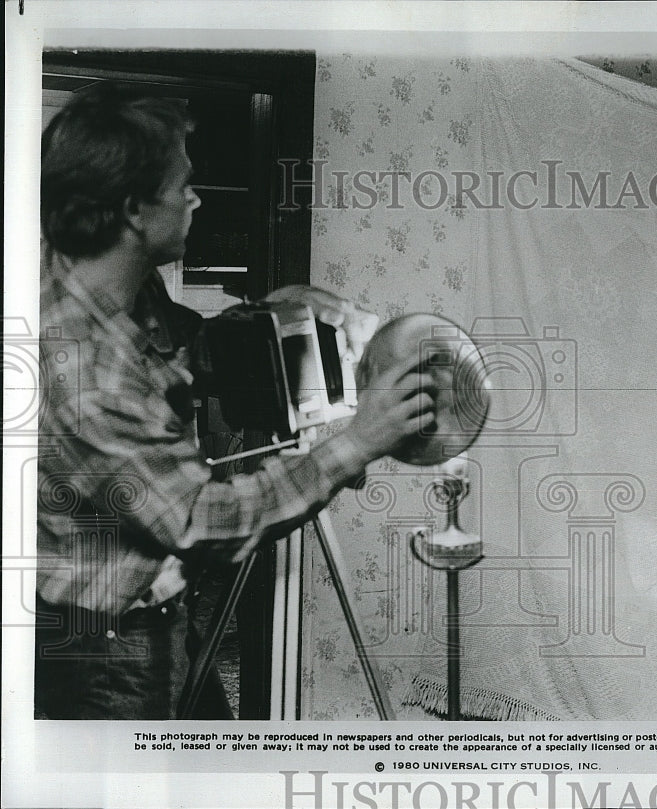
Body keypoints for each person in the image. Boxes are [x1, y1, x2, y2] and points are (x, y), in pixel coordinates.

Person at [34, 83, 436, 719]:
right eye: (183, 184)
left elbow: (180, 349)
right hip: (104, 650)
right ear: (136, 210)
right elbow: (202, 520)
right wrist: (360, 440)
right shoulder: (85, 372)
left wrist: (276, 312)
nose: (195, 198)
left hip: (143, 607)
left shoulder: (95, 275)